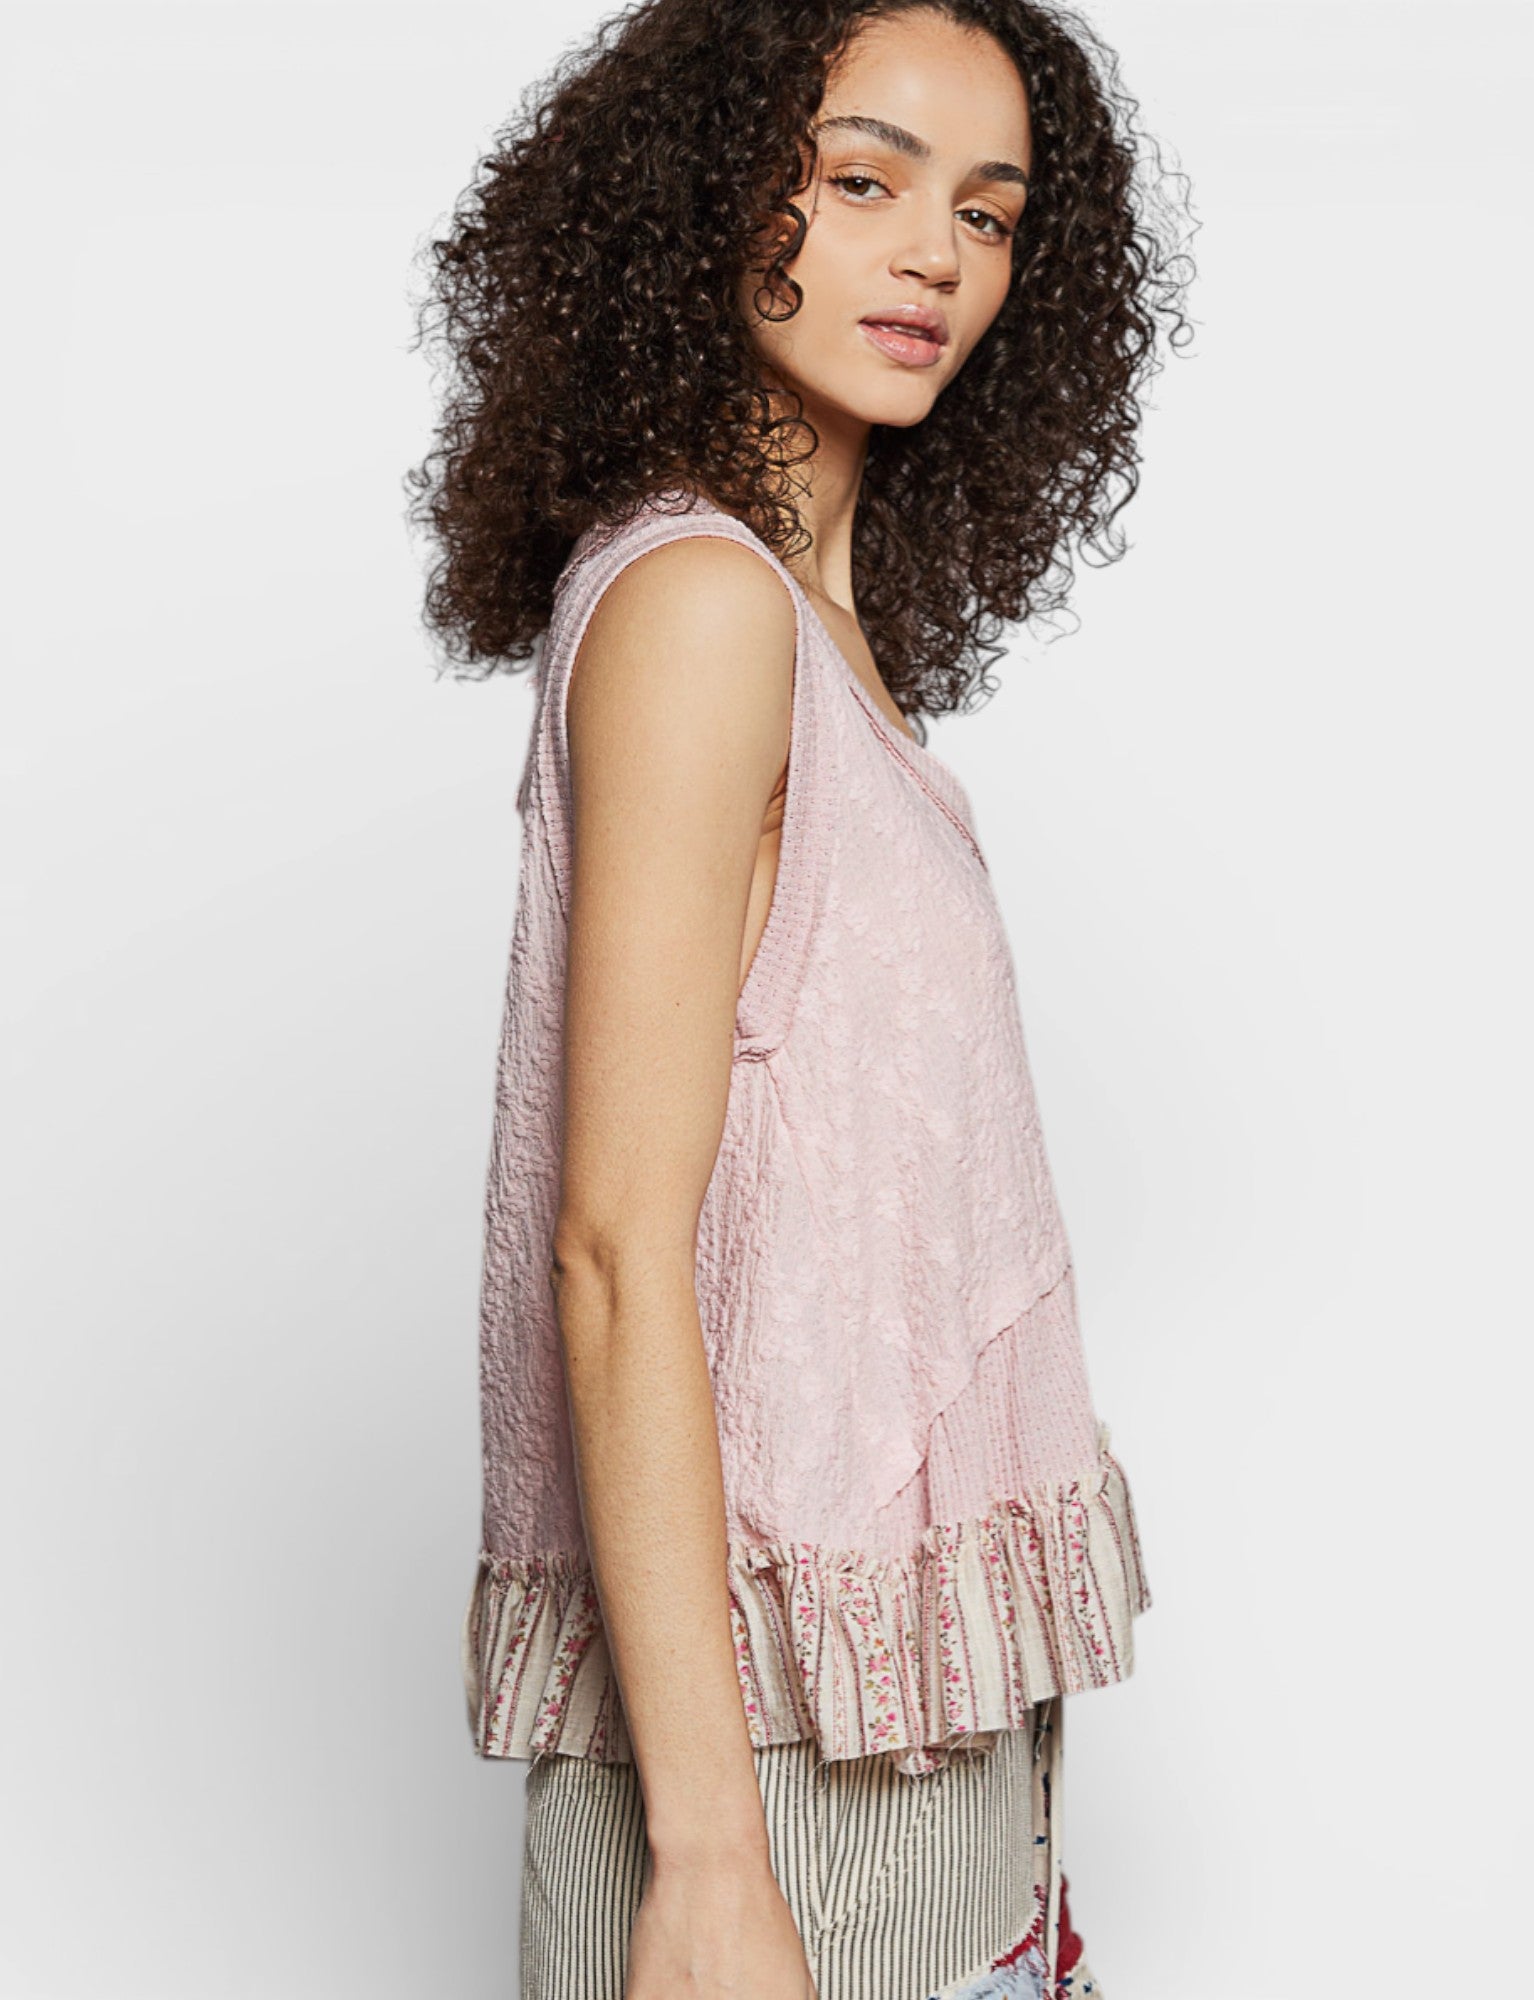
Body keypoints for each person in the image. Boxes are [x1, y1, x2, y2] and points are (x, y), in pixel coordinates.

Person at [406, 2, 1195, 1993]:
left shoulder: (802, 616)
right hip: (765, 1764)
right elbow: (607, 1248)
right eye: (862, 180)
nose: (934, 253)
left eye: (990, 213)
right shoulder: (700, 609)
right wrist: (701, 1857)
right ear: (702, 199)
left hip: (888, 1728)